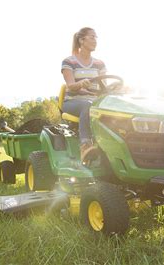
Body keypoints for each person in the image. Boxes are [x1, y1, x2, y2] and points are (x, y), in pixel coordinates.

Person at [61, 27, 106, 163]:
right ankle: (85, 146)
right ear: (81, 40)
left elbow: (105, 86)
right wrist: (81, 84)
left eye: (96, 37)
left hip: (94, 102)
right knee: (88, 106)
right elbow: (70, 86)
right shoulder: (69, 62)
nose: (95, 40)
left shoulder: (99, 64)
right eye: (92, 37)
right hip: (73, 102)